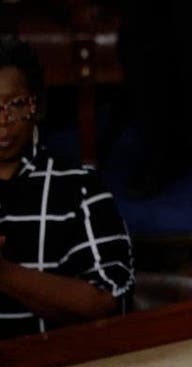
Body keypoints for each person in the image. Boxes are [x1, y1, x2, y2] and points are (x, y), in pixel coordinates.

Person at [0, 36, 133, 339]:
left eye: (15, 104)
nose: (3, 121)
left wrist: (5, 274)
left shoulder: (80, 186)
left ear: (35, 104)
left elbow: (110, 302)